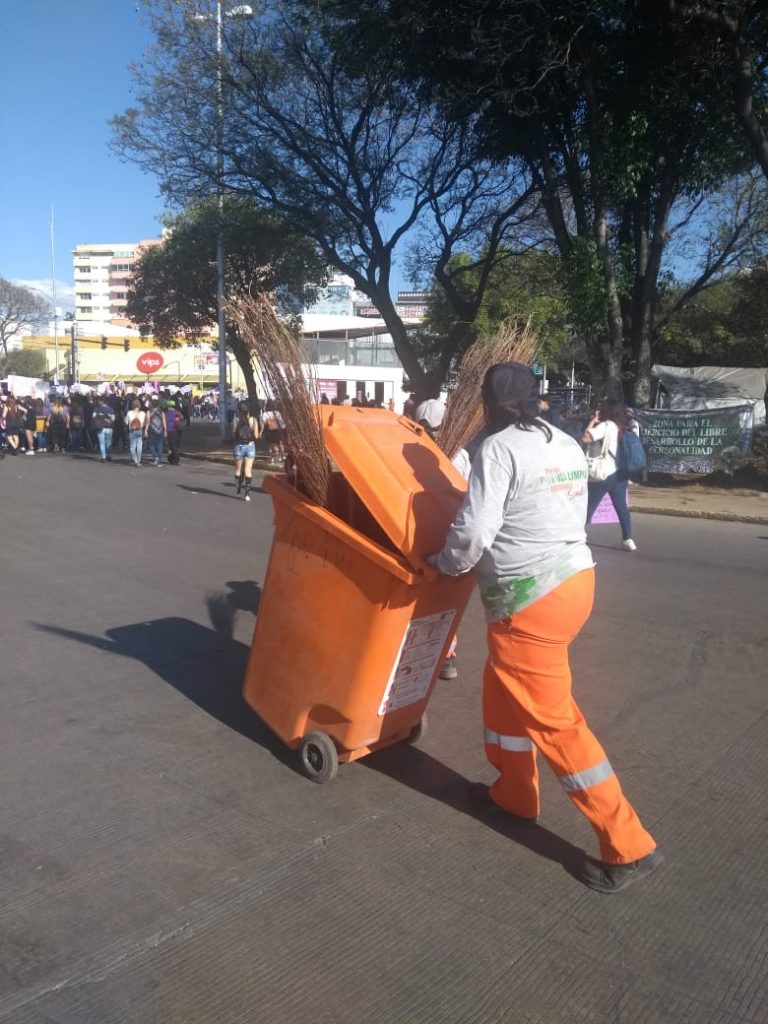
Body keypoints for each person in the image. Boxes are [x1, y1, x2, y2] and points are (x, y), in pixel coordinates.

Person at [429, 362, 662, 893]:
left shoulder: (499, 448)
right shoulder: (561, 441)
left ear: (489, 403)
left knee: (556, 722)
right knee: (502, 686)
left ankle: (626, 845)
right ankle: (514, 792)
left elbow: (474, 531)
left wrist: (443, 564)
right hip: (574, 582)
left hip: (528, 600)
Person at [582, 401, 636, 551]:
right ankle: (628, 539)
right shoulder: (622, 426)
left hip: (605, 472)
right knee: (621, 507)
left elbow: (586, 438)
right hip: (620, 473)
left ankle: (578, 535)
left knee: (589, 505)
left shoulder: (606, 425)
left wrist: (592, 421)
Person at [230, 399, 260, 501]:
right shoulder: (254, 420)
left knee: (238, 470)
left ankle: (238, 492)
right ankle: (247, 494)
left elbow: (233, 435)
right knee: (248, 470)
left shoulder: (235, 420)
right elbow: (256, 436)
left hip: (238, 446)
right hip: (250, 446)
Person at [92, 395, 115, 461]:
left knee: (102, 443)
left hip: (100, 427)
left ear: (102, 401)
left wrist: (100, 418)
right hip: (109, 427)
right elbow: (113, 418)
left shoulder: (97, 409)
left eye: (99, 400)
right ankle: (109, 455)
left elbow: (93, 417)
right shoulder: (110, 409)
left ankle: (103, 457)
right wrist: (108, 420)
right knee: (109, 442)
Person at [145, 397, 167, 466]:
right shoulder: (161, 412)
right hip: (160, 429)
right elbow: (164, 421)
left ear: (151, 404)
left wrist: (145, 430)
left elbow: (148, 421)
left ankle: (155, 456)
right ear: (158, 405)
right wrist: (165, 430)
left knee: (151, 445)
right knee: (160, 445)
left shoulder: (149, 412)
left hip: (152, 430)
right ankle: (159, 461)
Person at [126, 399, 146, 466]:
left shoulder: (129, 413)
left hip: (132, 430)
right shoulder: (143, 413)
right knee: (139, 445)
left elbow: (126, 422)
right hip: (140, 430)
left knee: (132, 446)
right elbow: (144, 422)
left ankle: (135, 460)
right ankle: (139, 461)